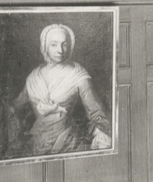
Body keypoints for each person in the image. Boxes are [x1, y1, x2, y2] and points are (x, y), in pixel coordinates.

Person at [7, 23, 111, 159]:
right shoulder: (33, 76)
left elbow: (96, 111)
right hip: (36, 141)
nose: (60, 50)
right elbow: (15, 107)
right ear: (45, 46)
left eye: (64, 44)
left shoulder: (77, 74)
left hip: (67, 141)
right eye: (54, 45)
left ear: (70, 46)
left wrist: (101, 132)